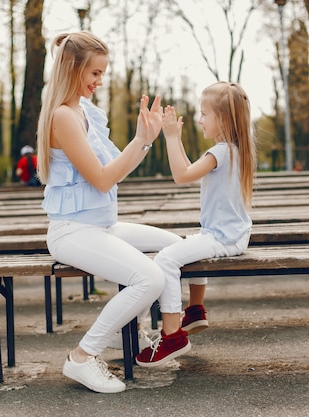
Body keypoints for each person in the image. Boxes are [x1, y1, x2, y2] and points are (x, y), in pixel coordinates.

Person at [36, 31, 182, 394]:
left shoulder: (83, 111)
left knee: (176, 246)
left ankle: (135, 333)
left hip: (101, 226)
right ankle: (83, 357)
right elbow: (102, 180)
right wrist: (140, 141)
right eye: (94, 74)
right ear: (72, 69)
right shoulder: (64, 117)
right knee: (149, 278)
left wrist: (143, 141)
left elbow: (110, 170)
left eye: (103, 73)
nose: (100, 82)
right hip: (72, 232)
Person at [135, 82, 256, 367]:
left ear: (223, 119)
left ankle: (172, 335)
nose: (199, 119)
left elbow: (181, 174)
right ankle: (195, 310)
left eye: (204, 114)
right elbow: (189, 168)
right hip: (231, 235)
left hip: (223, 237)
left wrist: (170, 137)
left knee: (165, 260)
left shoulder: (221, 152)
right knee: (187, 243)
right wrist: (176, 140)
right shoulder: (232, 150)